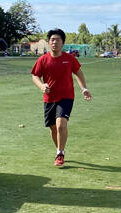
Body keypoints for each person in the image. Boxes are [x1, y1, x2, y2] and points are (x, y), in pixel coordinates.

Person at [31, 28, 92, 167]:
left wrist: (84, 89)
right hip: (49, 98)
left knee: (60, 125)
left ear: (63, 43)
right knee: (53, 128)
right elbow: (35, 75)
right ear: (48, 42)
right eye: (52, 40)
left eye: (58, 40)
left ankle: (60, 153)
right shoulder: (43, 60)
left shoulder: (69, 59)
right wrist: (41, 86)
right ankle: (59, 148)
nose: (55, 42)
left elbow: (78, 73)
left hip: (66, 97)